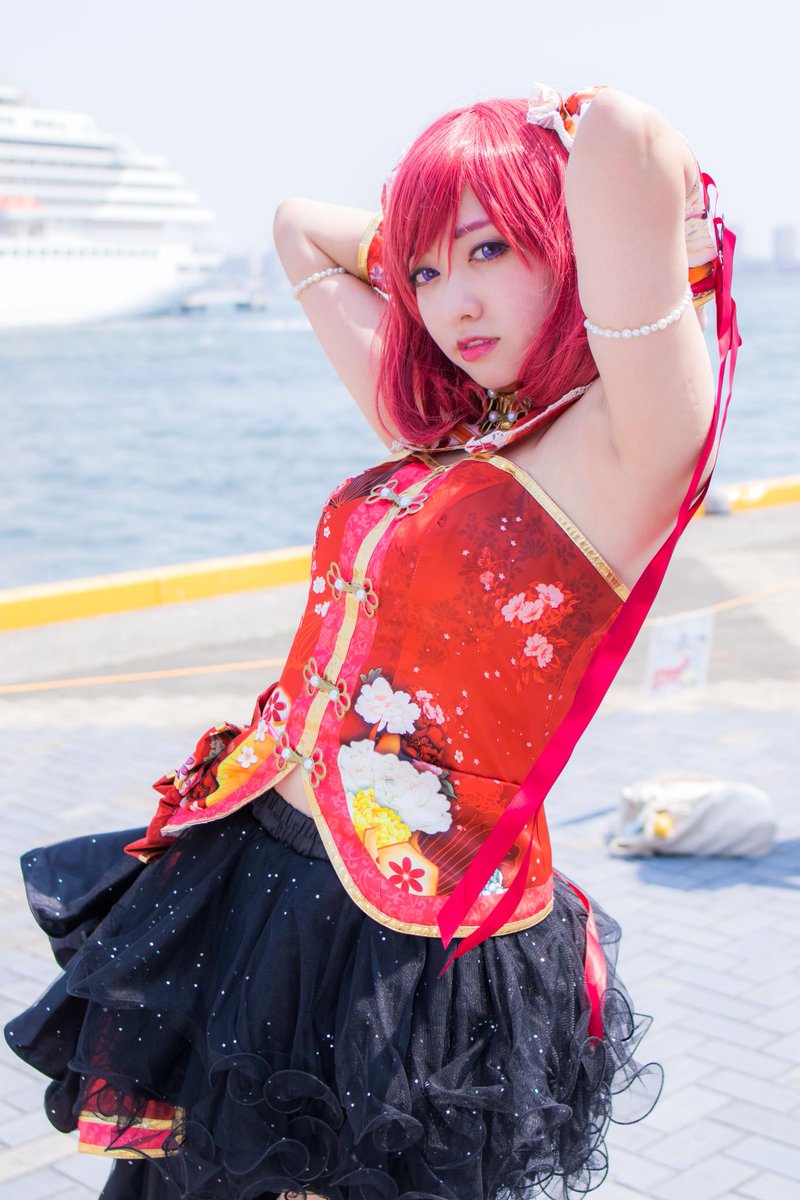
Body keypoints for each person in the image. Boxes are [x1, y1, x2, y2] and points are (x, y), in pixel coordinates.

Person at [4, 84, 737, 1200]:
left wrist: (542, 160)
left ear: (571, 240)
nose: (452, 301)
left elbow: (624, 140)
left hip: (396, 940)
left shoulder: (628, 447)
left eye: (490, 250)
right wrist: (454, 232)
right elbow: (296, 227)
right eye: (425, 271)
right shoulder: (455, 434)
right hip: (252, 874)